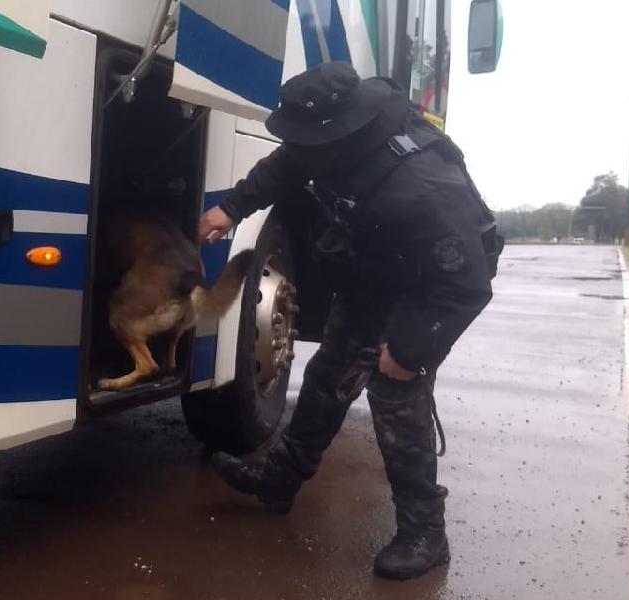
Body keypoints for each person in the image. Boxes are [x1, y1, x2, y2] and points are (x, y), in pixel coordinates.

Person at [197, 62, 499, 581]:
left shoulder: (423, 188)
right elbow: (285, 165)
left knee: (394, 394)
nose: (298, 146)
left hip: (431, 284)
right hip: (377, 266)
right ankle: (278, 482)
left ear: (336, 133)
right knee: (329, 374)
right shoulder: (333, 142)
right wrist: (232, 208)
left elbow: (465, 283)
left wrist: (409, 350)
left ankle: (425, 531)